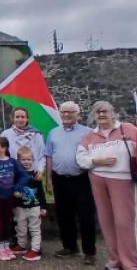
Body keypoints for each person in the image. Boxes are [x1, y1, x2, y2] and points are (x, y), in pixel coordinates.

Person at [76, 100, 137, 270]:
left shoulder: (126, 128)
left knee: (124, 222)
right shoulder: (90, 135)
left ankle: (131, 264)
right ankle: (115, 260)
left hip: (122, 179)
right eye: (98, 112)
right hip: (98, 178)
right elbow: (80, 158)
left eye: (105, 111)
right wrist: (95, 160)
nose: (101, 115)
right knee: (106, 222)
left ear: (113, 113)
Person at [44, 101, 97, 263]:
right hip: (60, 179)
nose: (66, 114)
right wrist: (49, 180)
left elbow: (93, 154)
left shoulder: (88, 133)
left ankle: (89, 252)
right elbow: (49, 156)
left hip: (81, 180)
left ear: (78, 114)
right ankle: (70, 247)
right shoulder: (53, 133)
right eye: (63, 111)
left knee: (86, 216)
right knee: (63, 215)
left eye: (70, 112)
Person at [0, 135, 29, 262]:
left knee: (7, 220)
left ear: (4, 148)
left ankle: (6, 245)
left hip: (9, 196)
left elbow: (25, 176)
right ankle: (0, 247)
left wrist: (16, 187)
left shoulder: (13, 162)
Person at [13, 146, 47, 261]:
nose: (26, 162)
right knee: (20, 227)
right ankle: (21, 245)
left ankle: (35, 250)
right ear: (18, 161)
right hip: (20, 207)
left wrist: (43, 207)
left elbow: (41, 192)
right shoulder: (16, 175)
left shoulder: (36, 175)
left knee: (35, 228)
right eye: (23, 159)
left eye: (28, 159)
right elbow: (13, 189)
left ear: (33, 160)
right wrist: (15, 194)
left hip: (34, 207)